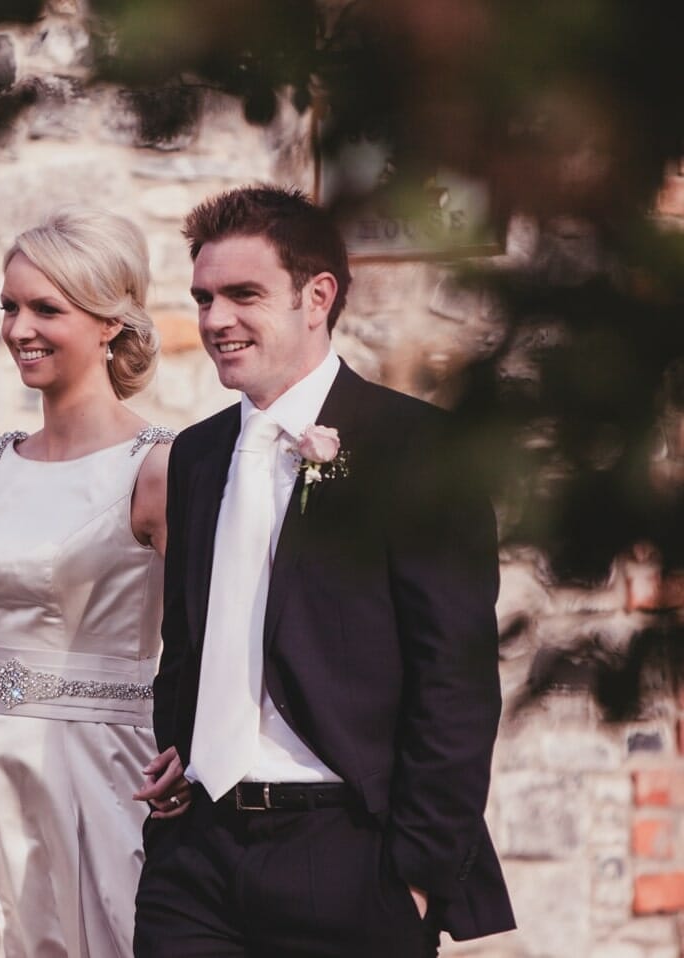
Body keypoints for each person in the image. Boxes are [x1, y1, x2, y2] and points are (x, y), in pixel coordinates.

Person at [134, 186, 516, 956]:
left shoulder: (417, 449)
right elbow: (188, 640)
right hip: (194, 864)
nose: (214, 321)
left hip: (347, 854)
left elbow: (456, 683)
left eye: (243, 295)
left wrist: (415, 879)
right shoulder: (196, 456)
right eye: (203, 298)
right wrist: (185, 740)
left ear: (318, 296)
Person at [0, 207, 190, 958]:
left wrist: (192, 748)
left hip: (106, 775)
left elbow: (210, 633)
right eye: (10, 306)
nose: (19, 327)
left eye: (46, 308)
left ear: (109, 324)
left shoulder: (157, 469)